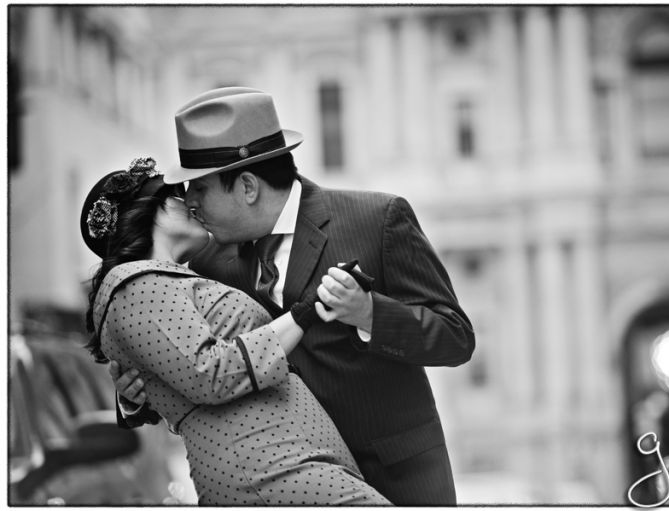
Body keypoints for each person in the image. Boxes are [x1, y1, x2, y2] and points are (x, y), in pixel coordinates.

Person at [112, 87, 475, 505]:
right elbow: (205, 371)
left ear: (247, 187)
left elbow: (455, 337)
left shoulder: (377, 219)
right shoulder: (208, 265)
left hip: (394, 478)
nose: (189, 202)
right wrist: (134, 396)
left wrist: (369, 314)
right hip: (283, 488)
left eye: (200, 188)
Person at [80, 157, 389, 505]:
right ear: (150, 211)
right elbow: (208, 373)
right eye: (178, 196)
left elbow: (179, 365)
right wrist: (306, 311)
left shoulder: (171, 279)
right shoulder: (136, 286)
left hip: (281, 459)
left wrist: (136, 397)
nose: (193, 204)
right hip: (264, 464)